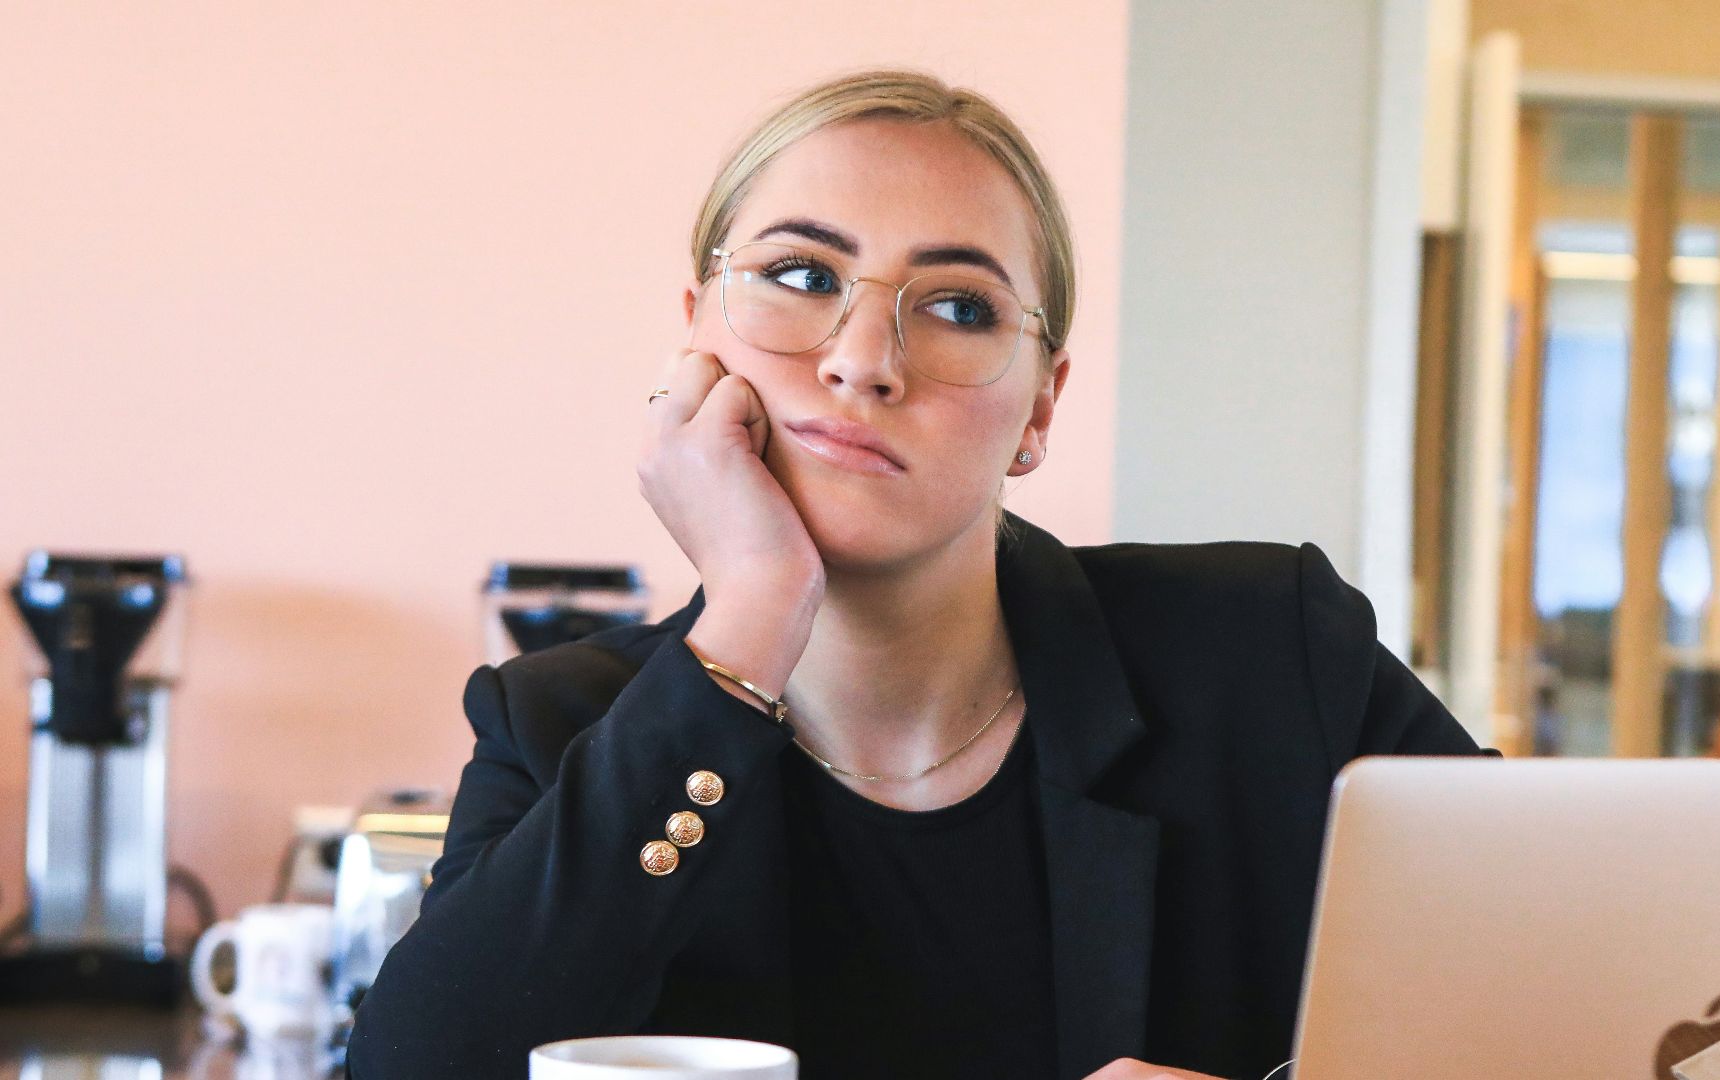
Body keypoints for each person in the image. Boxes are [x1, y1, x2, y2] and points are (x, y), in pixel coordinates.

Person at [345, 68, 1491, 1080]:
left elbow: (1568, 1003)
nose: (862, 362)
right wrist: (751, 616)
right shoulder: (557, 725)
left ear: (1040, 408)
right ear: (696, 340)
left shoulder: (1275, 657)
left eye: (955, 306)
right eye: (802, 275)